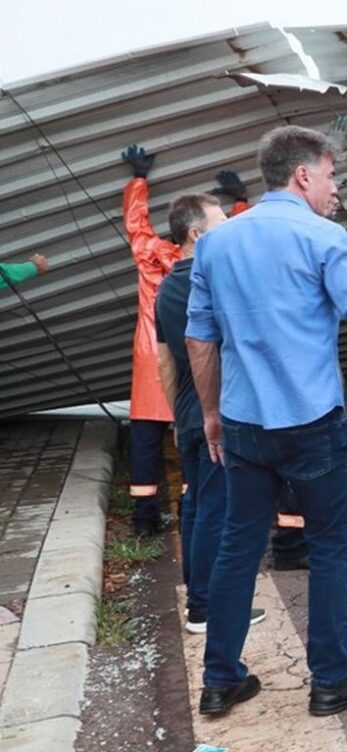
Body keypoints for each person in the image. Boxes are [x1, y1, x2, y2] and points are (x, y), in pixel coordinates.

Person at [187, 125, 347, 717]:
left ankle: (221, 679)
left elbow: (200, 339)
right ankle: (331, 680)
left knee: (238, 546)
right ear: (304, 174)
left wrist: (211, 414)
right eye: (333, 176)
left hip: (243, 424)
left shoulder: (216, 244)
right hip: (312, 425)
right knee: (331, 546)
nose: (337, 189)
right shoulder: (324, 236)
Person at [152, 192, 268, 634]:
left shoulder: (165, 290)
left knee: (198, 505)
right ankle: (206, 607)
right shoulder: (212, 283)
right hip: (216, 409)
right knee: (218, 509)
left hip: (188, 411)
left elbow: (165, 362)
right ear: (196, 236)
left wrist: (178, 419)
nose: (229, 230)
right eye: (221, 223)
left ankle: (196, 594)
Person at [119, 145, 180, 537]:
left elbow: (137, 226)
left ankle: (145, 520)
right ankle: (192, 512)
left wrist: (139, 179)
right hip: (186, 363)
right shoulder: (198, 264)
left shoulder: (151, 259)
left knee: (144, 444)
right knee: (192, 441)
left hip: (148, 362)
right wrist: (242, 203)